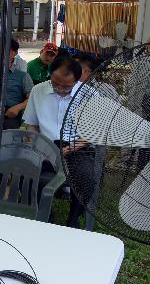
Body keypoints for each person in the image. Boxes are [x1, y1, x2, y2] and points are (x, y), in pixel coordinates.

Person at [22, 56, 95, 228]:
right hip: (46, 145)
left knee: (85, 177)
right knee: (26, 170)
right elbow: (31, 125)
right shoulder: (38, 91)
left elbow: (92, 133)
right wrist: (37, 145)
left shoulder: (89, 95)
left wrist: (70, 149)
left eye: (66, 86)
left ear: (77, 80)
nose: (60, 89)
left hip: (78, 146)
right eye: (55, 84)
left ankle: (74, 217)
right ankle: (45, 214)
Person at [0, 38, 33, 130]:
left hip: (9, 111)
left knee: (8, 135)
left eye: (0, 52)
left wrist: (18, 108)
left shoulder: (22, 76)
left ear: (13, 54)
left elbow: (32, 98)